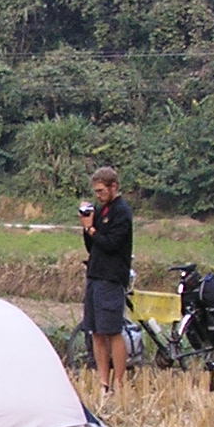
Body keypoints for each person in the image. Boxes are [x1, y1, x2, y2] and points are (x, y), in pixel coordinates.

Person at [80, 165, 133, 395]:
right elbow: (93, 246)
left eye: (101, 191)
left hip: (111, 278)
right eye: (96, 192)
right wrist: (87, 227)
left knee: (112, 330)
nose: (99, 195)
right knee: (96, 331)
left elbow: (111, 244)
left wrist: (92, 230)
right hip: (95, 274)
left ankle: (119, 383)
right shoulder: (102, 210)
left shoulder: (121, 212)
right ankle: (104, 382)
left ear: (114, 187)